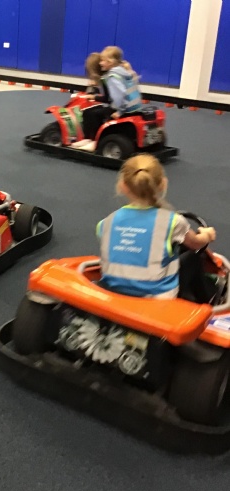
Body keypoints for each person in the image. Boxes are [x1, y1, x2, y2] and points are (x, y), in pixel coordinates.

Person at [96, 154, 217, 302]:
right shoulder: (173, 222)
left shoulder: (105, 223)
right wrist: (207, 234)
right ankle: (207, 301)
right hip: (156, 299)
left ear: (123, 186)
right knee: (193, 257)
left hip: (113, 292)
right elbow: (196, 243)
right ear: (163, 184)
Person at [72, 46, 142, 151]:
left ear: (110, 62)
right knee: (98, 110)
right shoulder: (123, 71)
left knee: (90, 113)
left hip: (124, 109)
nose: (101, 63)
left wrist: (119, 112)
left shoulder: (112, 77)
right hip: (134, 107)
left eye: (103, 61)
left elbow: (119, 97)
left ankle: (91, 140)